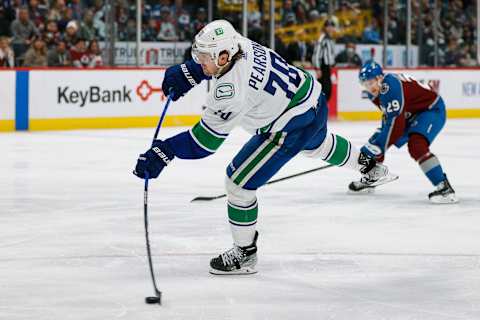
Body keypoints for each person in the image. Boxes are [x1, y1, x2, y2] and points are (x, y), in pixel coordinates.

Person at [133, 20, 395, 275]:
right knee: (320, 145)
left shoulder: (229, 91)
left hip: (290, 124)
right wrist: (191, 71)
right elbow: (216, 63)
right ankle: (369, 165)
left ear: (223, 57)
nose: (200, 60)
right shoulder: (238, 43)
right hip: (312, 100)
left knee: (238, 183)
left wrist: (165, 150)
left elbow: (204, 143)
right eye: (198, 54)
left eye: (204, 56)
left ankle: (245, 253)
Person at [349, 61, 457, 204]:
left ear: (380, 78)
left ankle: (445, 188)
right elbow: (390, 118)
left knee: (416, 145)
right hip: (410, 113)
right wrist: (376, 146)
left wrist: (379, 147)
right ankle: (374, 176)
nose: (369, 88)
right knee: (377, 141)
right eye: (365, 84)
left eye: (371, 82)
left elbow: (396, 125)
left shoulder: (389, 87)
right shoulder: (374, 93)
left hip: (431, 109)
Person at [312, 19, 335, 102]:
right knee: (324, 91)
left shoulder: (330, 39)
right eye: (328, 26)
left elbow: (331, 54)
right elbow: (316, 53)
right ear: (325, 28)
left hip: (327, 67)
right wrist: (317, 68)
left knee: (327, 91)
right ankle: (319, 111)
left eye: (331, 26)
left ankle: (321, 110)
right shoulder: (322, 38)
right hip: (323, 67)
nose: (330, 28)